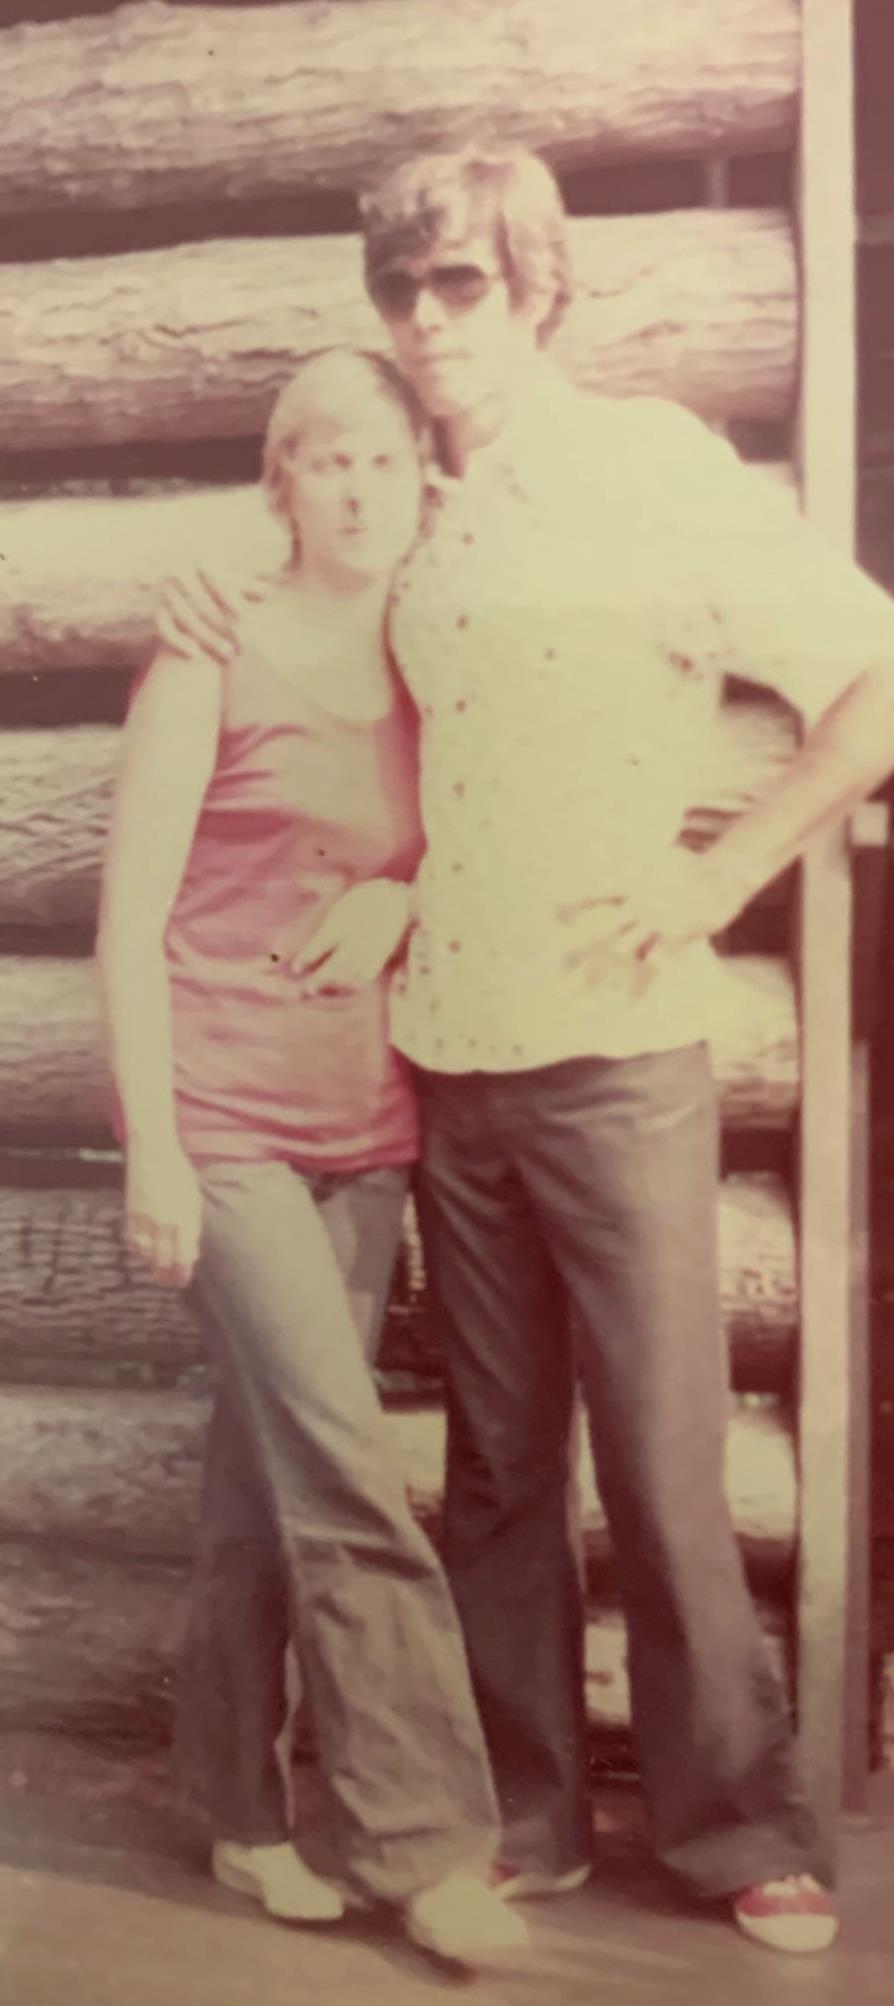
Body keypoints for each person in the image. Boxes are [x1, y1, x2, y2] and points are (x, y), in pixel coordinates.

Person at [157, 146, 894, 1956]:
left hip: (616, 1042)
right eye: (397, 287)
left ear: (538, 287)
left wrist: (716, 869)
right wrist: (206, 591)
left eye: (461, 281)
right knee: (495, 1460)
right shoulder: (404, 498)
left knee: (659, 1449)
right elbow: (350, 677)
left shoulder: (649, 469)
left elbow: (869, 678)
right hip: (446, 1054)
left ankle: (734, 1825)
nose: (425, 319)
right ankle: (530, 1811)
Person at [96, 345, 528, 1967]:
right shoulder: (209, 650)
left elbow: (468, 837)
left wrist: (404, 893)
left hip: (368, 1128)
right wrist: (154, 1152)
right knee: (344, 1472)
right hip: (225, 1121)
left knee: (266, 1475)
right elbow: (128, 924)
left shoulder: (435, 657)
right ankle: (424, 1842)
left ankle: (234, 1803)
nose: (356, 486)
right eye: (324, 458)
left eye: (382, 459)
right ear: (280, 483)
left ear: (422, 481)